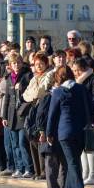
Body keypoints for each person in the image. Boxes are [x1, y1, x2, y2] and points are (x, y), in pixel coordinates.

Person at [46, 66, 90, 188]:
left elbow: (52, 115)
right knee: (74, 161)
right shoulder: (81, 88)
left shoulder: (58, 92)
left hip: (65, 132)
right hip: (81, 131)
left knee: (72, 162)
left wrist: (49, 133)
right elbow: (89, 107)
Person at [0, 52, 34, 178]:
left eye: (18, 62)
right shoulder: (9, 78)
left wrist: (21, 88)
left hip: (23, 114)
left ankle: (28, 168)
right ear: (10, 65)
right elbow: (7, 99)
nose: (16, 65)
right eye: (14, 63)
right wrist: (4, 116)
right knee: (14, 144)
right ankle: (19, 168)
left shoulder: (27, 75)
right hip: (11, 115)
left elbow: (29, 95)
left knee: (22, 143)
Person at [23, 52, 55, 180]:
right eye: (36, 64)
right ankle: (37, 171)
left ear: (46, 64)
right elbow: (25, 94)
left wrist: (33, 94)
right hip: (33, 108)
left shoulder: (49, 75)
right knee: (32, 139)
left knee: (40, 139)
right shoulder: (34, 77)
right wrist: (33, 94)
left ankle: (43, 171)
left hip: (43, 109)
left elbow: (41, 91)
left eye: (41, 64)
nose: (39, 66)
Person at [71, 57, 94, 185]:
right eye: (74, 70)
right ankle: (85, 173)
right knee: (83, 147)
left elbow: (93, 98)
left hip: (89, 116)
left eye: (78, 70)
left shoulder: (92, 80)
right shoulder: (76, 81)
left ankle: (93, 175)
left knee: (90, 146)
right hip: (80, 117)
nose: (76, 73)